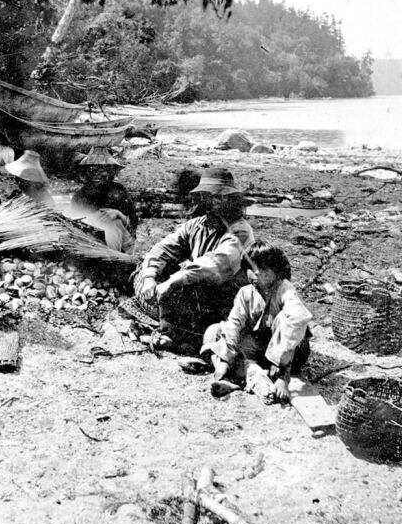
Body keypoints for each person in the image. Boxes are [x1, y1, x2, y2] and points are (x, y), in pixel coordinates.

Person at [133, 167, 254, 351]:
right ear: (202, 198)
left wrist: (174, 281)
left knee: (182, 281)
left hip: (226, 297)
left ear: (232, 200)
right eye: (210, 196)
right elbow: (162, 249)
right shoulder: (195, 225)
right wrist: (150, 277)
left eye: (222, 197)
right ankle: (172, 331)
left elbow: (217, 264)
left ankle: (188, 336)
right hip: (200, 292)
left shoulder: (240, 230)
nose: (216, 202)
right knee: (150, 271)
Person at [201, 242, 312, 404]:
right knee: (215, 331)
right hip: (259, 348)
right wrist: (225, 358)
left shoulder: (284, 288)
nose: (256, 274)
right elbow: (234, 324)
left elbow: (298, 318)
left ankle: (268, 375)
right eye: (251, 269)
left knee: (284, 318)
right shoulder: (245, 293)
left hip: (288, 353)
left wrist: (282, 372)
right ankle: (228, 374)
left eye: (264, 269)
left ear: (277, 272)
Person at [67, 147, 138, 254]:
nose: (97, 174)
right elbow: (74, 222)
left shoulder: (118, 191)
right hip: (91, 241)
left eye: (102, 170)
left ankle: (115, 260)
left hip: (122, 242)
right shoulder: (80, 195)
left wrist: (118, 214)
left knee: (114, 224)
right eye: (92, 170)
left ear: (110, 172)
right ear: (86, 173)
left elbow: (133, 224)